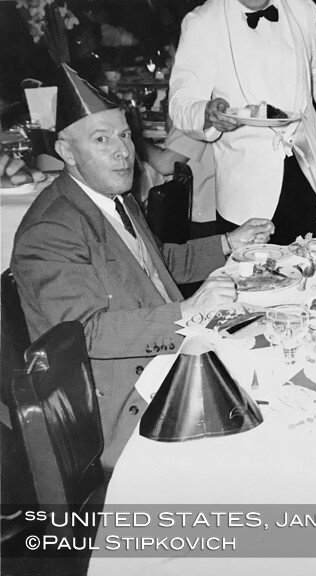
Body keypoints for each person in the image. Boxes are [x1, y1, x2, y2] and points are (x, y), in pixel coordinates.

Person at [11, 65, 274, 469]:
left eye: (124, 135)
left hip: (169, 359)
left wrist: (227, 243)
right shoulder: (51, 229)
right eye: (102, 139)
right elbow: (86, 333)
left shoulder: (116, 198)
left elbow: (155, 264)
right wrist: (186, 311)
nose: (123, 151)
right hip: (126, 403)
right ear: (67, 152)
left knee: (275, 356)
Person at [168, 0, 316, 245]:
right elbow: (181, 102)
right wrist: (207, 113)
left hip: (309, 175)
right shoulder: (203, 22)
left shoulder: (301, 7)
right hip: (247, 192)